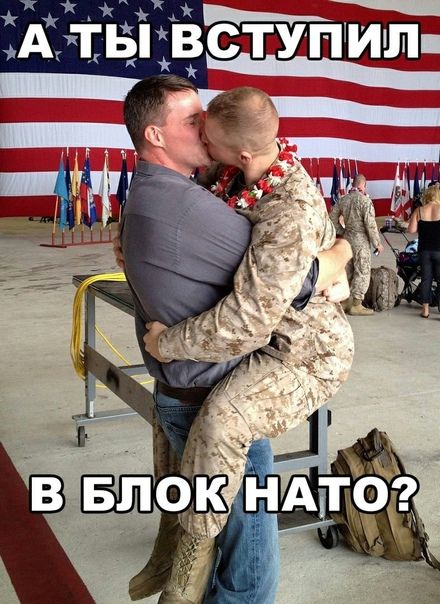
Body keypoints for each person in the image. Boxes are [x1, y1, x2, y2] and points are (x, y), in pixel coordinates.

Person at [118, 75, 351, 604]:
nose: (203, 130)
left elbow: (258, 309)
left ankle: (188, 553)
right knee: (243, 530)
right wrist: (333, 258)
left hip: (301, 352)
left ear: (242, 151)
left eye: (206, 123)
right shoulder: (205, 184)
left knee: (224, 429)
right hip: (243, 358)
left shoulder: (277, 202)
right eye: (193, 121)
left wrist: (336, 257)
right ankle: (183, 548)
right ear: (155, 136)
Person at [329, 173, 384, 315]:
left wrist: (342, 231)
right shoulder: (365, 201)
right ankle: (356, 305)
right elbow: (370, 225)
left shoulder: (343, 200)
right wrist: (377, 243)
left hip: (347, 239)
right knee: (362, 271)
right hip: (361, 241)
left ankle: (344, 301)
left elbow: (332, 218)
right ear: (363, 185)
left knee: (347, 270)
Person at [408, 182, 440, 318]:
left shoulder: (419, 210)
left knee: (426, 279)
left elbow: (411, 230)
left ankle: (425, 310)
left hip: (424, 250)